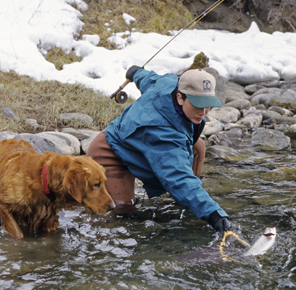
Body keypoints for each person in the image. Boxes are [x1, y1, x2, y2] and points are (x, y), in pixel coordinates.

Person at [86, 65, 231, 234]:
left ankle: (189, 198)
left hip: (138, 144)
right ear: (180, 97)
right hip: (110, 153)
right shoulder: (163, 135)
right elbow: (178, 177)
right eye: (198, 105)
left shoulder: (169, 83)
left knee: (198, 146)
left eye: (208, 105)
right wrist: (214, 215)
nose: (203, 112)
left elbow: (148, 78)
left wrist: (135, 73)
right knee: (122, 211)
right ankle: (191, 197)